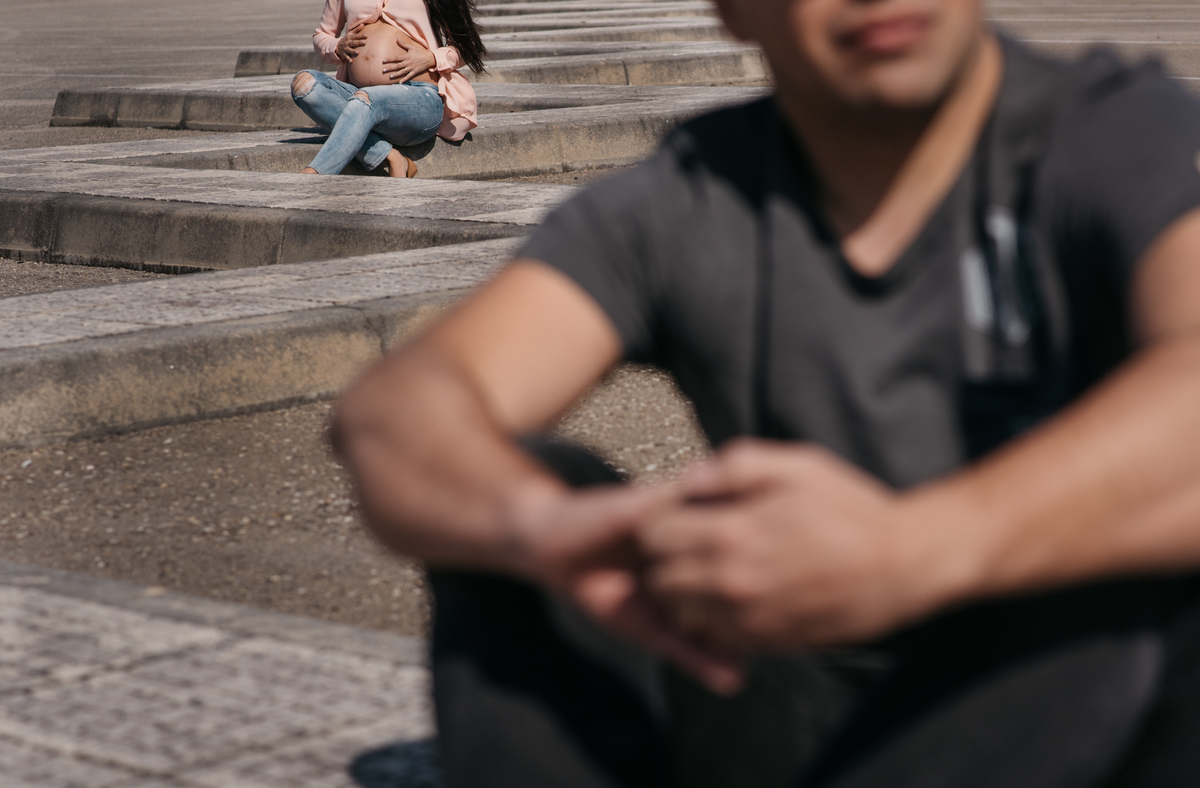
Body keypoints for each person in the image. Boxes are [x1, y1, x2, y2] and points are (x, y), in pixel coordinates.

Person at [331, 0, 1200, 785]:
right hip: (783, 695)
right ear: (734, 11)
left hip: (1064, 701)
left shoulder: (1108, 133)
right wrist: (541, 526)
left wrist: (917, 550)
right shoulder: (694, 195)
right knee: (516, 498)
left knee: (1151, 559)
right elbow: (397, 411)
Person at [290, 0, 484, 178]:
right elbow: (322, 35)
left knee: (365, 99)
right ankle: (391, 156)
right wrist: (336, 46)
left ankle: (315, 174)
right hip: (359, 95)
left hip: (419, 98)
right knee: (305, 84)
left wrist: (431, 57)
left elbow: (469, 46)